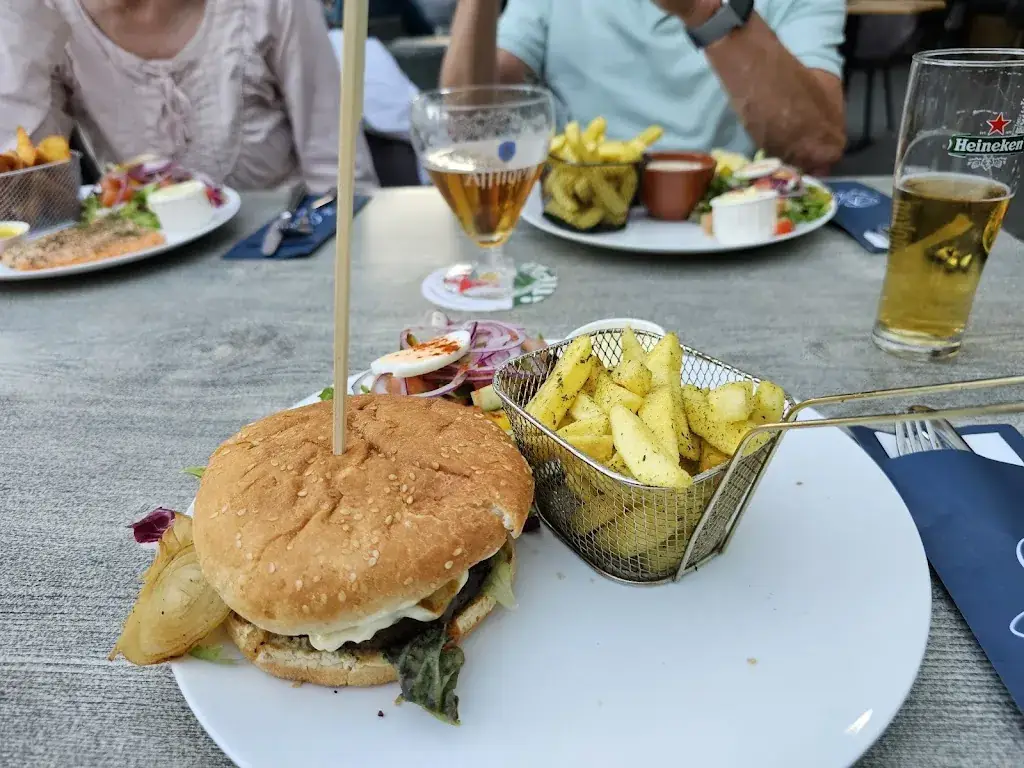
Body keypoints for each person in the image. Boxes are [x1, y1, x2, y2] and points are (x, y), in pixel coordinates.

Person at [0, 0, 378, 193]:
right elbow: (28, 201)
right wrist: (19, 32)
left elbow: (341, 176)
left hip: (286, 251)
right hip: (134, 268)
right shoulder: (43, 16)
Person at [440, 0, 847, 174]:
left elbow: (816, 144)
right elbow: (468, 120)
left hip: (737, 229)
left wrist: (702, 9)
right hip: (576, 223)